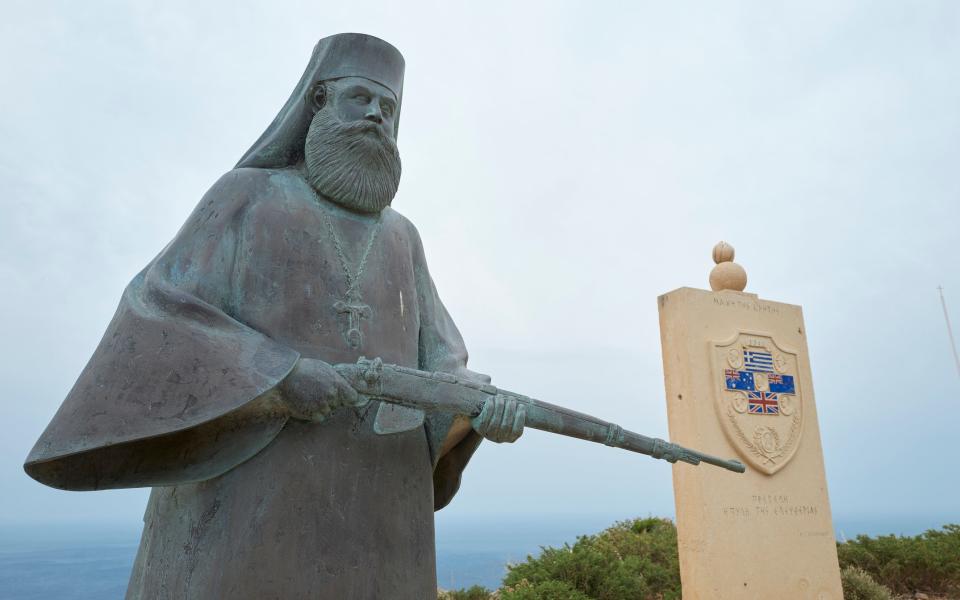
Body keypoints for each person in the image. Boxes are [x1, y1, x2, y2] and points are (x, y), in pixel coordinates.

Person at [25, 33, 524, 599]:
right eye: (360, 98)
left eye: (388, 108)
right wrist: (279, 375)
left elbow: (442, 358)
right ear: (317, 102)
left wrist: (475, 410)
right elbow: (156, 308)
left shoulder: (402, 237)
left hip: (383, 500)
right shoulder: (248, 195)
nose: (376, 118)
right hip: (255, 493)